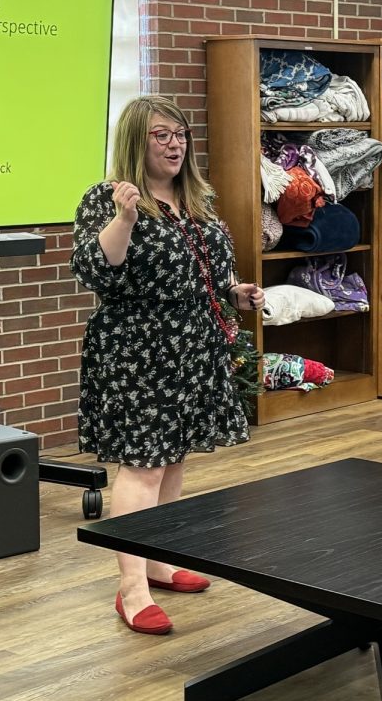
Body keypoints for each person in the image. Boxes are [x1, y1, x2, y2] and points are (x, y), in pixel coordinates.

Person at [70, 95, 265, 636]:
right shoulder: (107, 199)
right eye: (162, 135)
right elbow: (93, 268)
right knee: (143, 464)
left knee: (174, 460)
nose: (175, 144)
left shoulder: (195, 198)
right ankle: (130, 589)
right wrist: (125, 218)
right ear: (138, 141)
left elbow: (207, 272)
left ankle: (158, 561)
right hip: (136, 347)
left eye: (179, 135)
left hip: (193, 344)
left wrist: (234, 292)